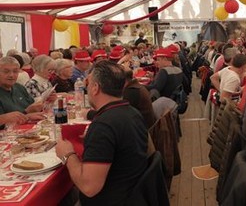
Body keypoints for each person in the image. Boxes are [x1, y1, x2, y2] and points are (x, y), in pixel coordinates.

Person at [55, 60, 148, 205]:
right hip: (133, 193)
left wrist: (68, 154)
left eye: (88, 84)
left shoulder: (104, 125)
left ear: (95, 88)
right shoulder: (132, 112)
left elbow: (89, 188)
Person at [0, 57, 46, 123]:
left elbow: (31, 109)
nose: (11, 75)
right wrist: (26, 115)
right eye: (6, 71)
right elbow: (6, 120)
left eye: (15, 71)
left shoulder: (19, 87)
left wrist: (46, 103)